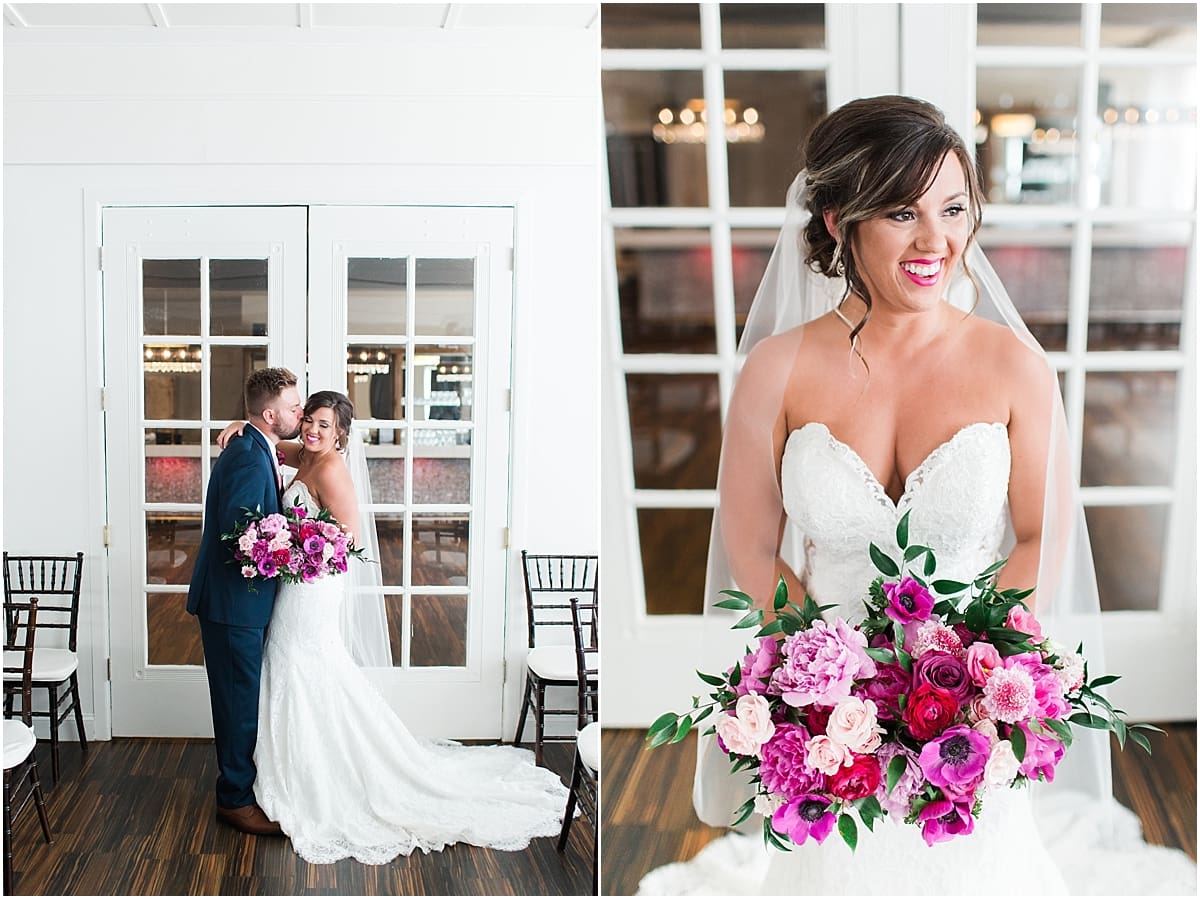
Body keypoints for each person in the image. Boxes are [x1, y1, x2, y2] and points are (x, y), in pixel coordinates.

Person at [635, 96, 1196, 895]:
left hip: (969, 705)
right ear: (838, 219)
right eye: (902, 211)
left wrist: (975, 668)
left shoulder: (1014, 368)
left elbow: (1039, 536)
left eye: (954, 207)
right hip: (829, 712)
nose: (937, 240)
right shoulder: (774, 370)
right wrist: (823, 681)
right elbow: (753, 551)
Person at [218, 391, 570, 865]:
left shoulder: (331, 469)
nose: (313, 430)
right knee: (289, 665)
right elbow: (267, 440)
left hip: (314, 586)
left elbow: (348, 542)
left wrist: (295, 550)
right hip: (294, 582)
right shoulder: (303, 453)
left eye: (324, 425)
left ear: (341, 432)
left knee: (305, 663)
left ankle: (328, 778)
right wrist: (237, 425)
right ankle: (291, 771)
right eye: (310, 422)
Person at [187, 366, 303, 836]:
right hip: (234, 605)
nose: (301, 411)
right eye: (295, 407)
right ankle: (234, 800)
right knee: (237, 703)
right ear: (271, 413)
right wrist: (293, 551)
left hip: (242, 603)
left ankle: (242, 787)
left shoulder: (258, 445)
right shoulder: (246, 457)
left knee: (242, 698)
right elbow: (241, 535)